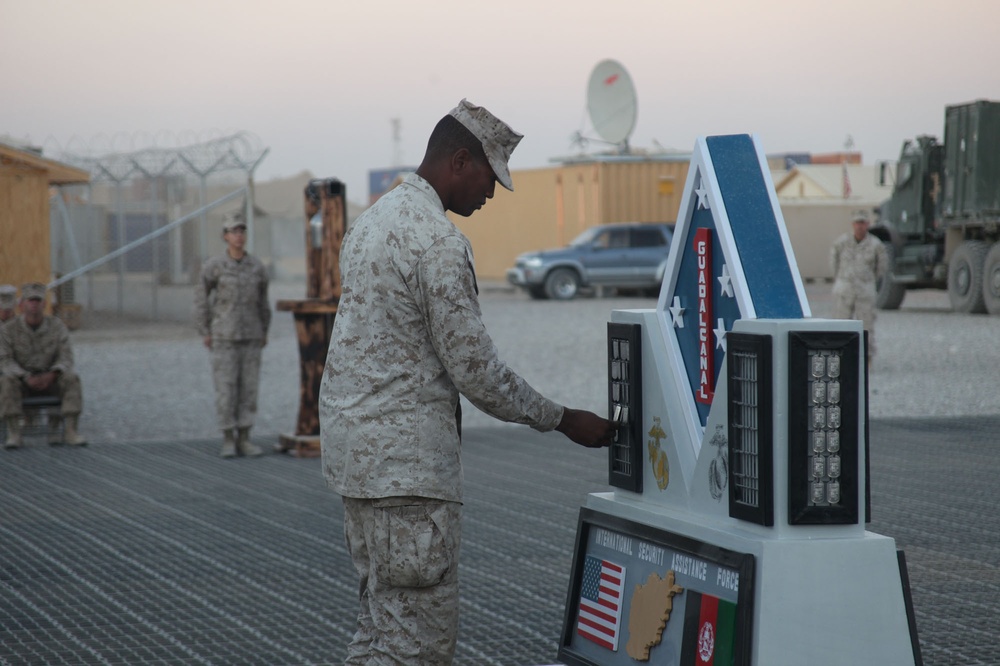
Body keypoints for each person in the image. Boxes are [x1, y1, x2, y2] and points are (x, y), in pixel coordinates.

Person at [319, 98, 617, 664]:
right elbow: (477, 372)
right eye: (489, 178)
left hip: (357, 468)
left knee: (376, 635)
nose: (491, 194)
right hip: (407, 480)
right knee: (416, 650)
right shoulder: (437, 242)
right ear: (460, 161)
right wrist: (562, 419)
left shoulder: (372, 223)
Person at [194, 214, 271, 458]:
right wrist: (205, 330)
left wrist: (264, 330)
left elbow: (263, 302)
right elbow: (200, 299)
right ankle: (228, 437)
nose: (238, 236)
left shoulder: (256, 266)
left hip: (250, 335)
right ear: (225, 236)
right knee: (226, 389)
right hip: (224, 336)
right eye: (233, 231)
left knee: (249, 389)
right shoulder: (214, 266)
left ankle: (245, 437)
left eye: (242, 231)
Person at [0, 282, 86, 449]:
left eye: (38, 301)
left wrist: (53, 373)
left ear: (44, 304)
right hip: (22, 380)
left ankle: (70, 431)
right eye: (30, 301)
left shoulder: (57, 326)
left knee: (72, 378)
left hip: (51, 378)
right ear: (21, 304)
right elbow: (5, 360)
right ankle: (14, 433)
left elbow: (66, 356)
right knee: (6, 381)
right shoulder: (9, 330)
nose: (34, 305)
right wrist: (25, 376)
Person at [830, 210, 888, 363]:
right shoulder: (841, 242)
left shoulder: (876, 245)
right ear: (852, 224)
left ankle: (866, 358)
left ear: (867, 224)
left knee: (866, 325)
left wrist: (868, 280)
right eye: (857, 223)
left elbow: (881, 267)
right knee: (840, 325)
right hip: (844, 288)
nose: (859, 226)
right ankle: (840, 358)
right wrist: (840, 280)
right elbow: (833, 262)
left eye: (862, 223)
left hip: (865, 290)